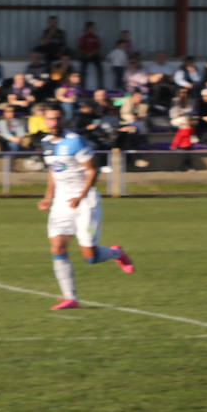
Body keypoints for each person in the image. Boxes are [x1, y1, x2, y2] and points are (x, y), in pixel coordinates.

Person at [35, 102, 135, 310]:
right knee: (57, 247)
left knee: (90, 256)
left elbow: (93, 170)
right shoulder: (45, 143)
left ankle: (117, 253)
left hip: (85, 202)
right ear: (45, 121)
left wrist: (80, 196)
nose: (53, 123)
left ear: (64, 120)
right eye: (50, 119)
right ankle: (70, 297)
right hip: (62, 203)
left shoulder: (75, 142)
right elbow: (54, 172)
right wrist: (47, 197)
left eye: (57, 118)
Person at [76, 21, 103, 90]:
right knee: (83, 69)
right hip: (85, 55)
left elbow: (98, 47)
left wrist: (92, 53)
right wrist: (86, 53)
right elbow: (80, 48)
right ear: (87, 28)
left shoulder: (95, 37)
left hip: (94, 55)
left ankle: (100, 86)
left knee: (100, 68)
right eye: (90, 28)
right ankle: (82, 87)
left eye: (93, 28)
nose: (91, 29)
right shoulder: (83, 37)